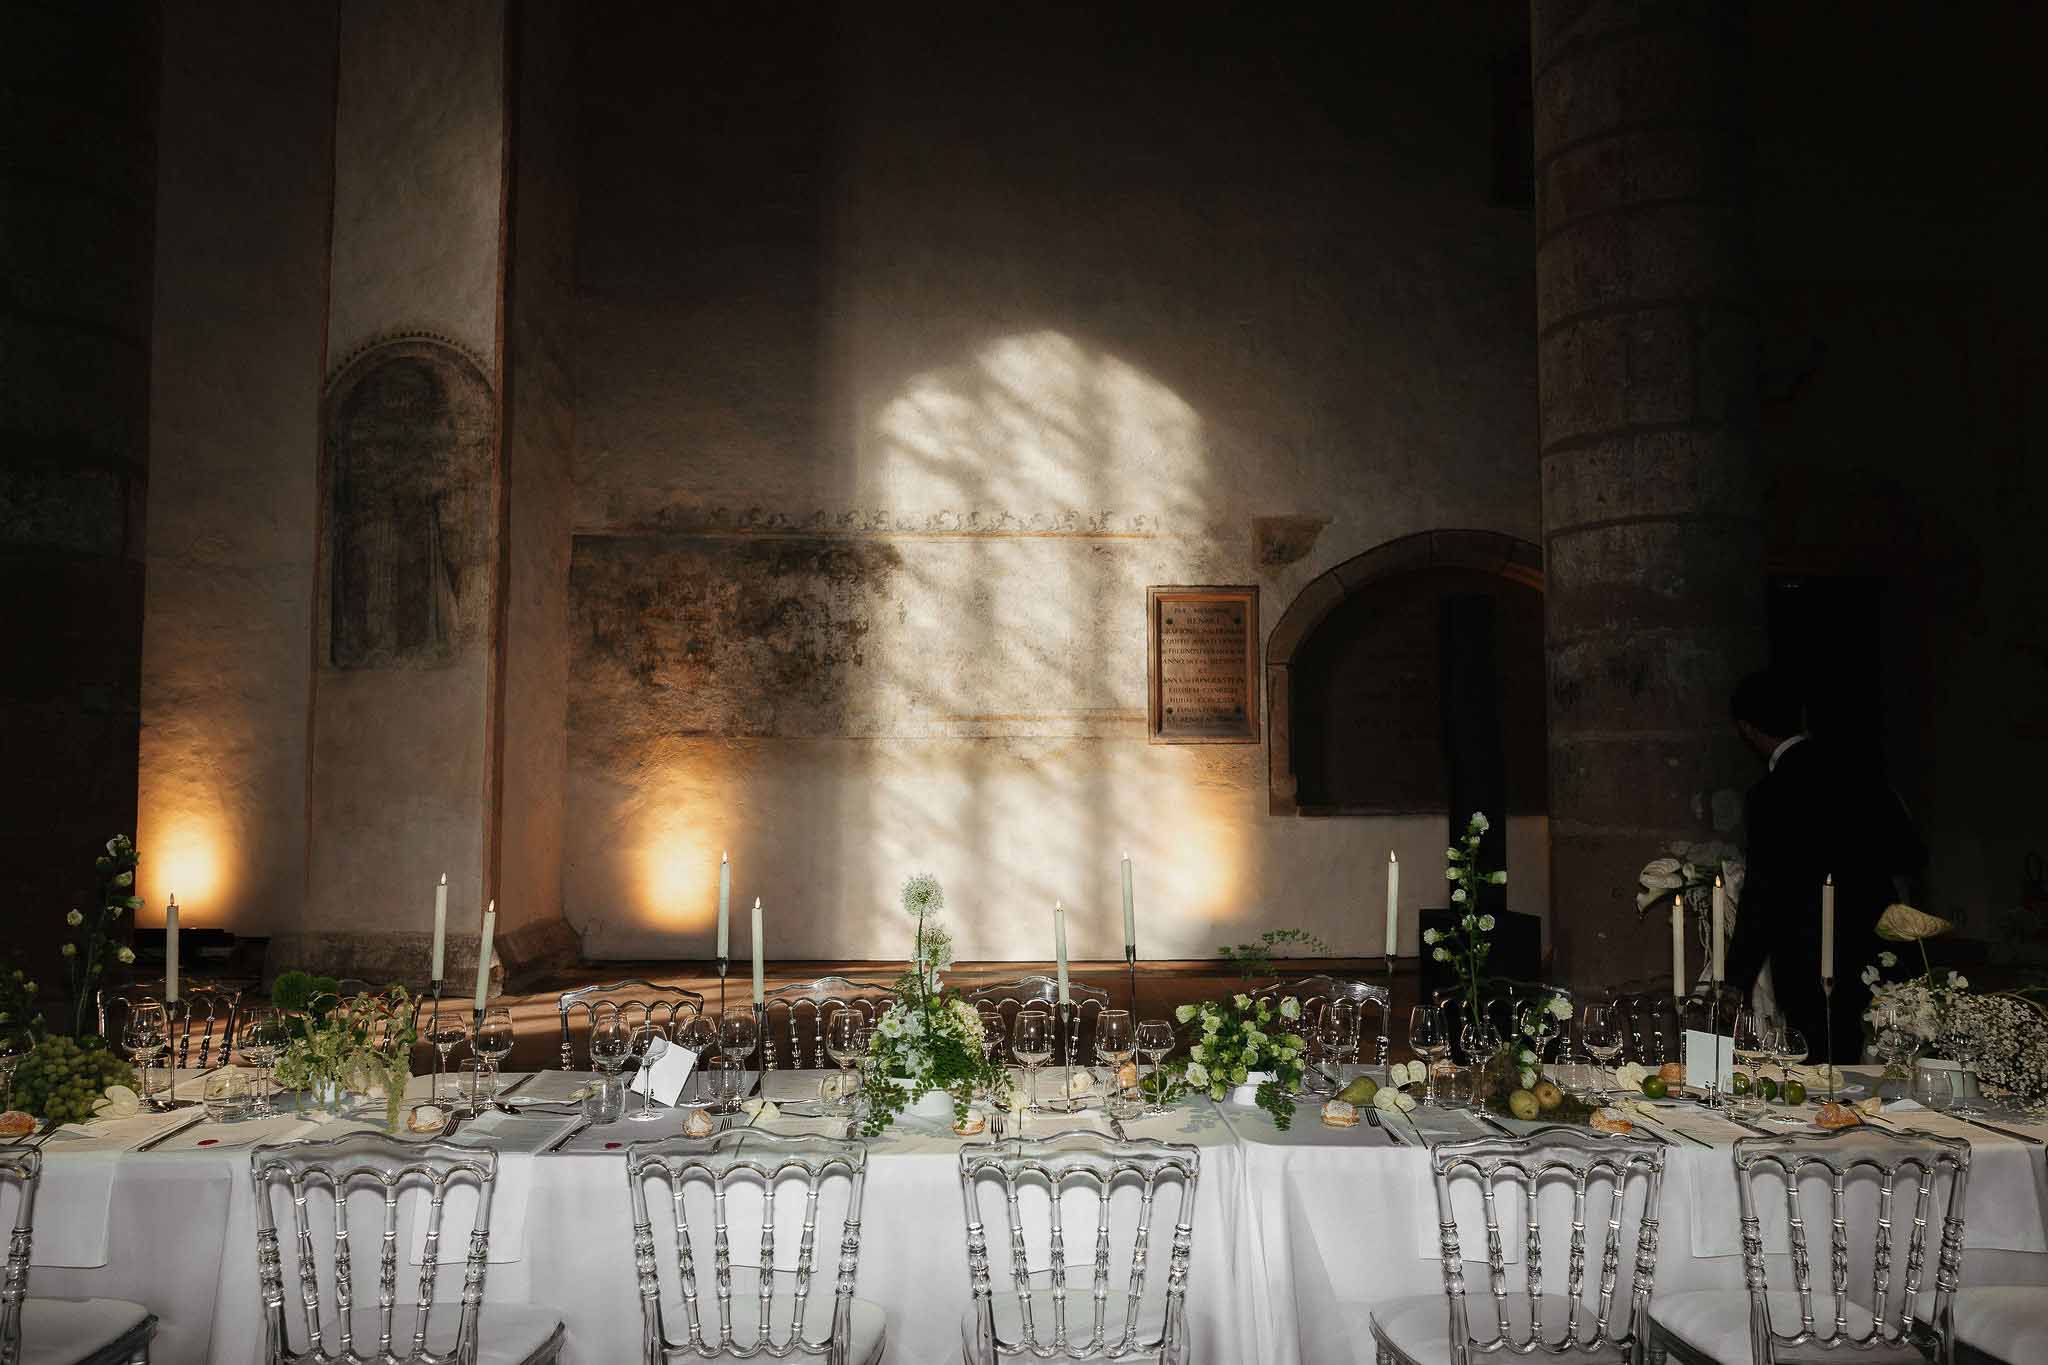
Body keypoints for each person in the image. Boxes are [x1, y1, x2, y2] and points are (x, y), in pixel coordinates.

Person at [1724, 671, 1925, 1063]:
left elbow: (1762, 893)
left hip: (1808, 957)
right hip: (1876, 947)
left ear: (1747, 729)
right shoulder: (1860, 773)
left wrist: (1736, 980)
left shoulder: (1770, 795)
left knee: (1821, 1072)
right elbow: (1910, 852)